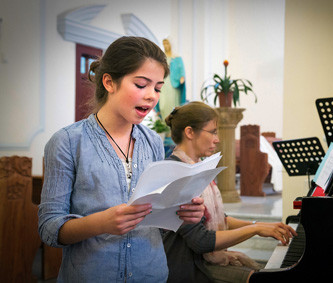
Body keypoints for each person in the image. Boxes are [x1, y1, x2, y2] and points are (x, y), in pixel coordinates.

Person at [38, 36, 205, 283]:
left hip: (152, 274)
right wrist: (100, 223)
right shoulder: (68, 142)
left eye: (158, 88)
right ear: (109, 82)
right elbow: (49, 229)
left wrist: (181, 212)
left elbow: (154, 220)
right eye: (141, 85)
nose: (152, 96)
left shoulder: (153, 142)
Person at [162, 101, 297, 283]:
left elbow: (222, 219)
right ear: (190, 132)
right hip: (191, 268)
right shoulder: (178, 175)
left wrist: (260, 225)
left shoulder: (196, 168)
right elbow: (201, 241)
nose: (217, 139)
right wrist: (254, 229)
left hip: (204, 262)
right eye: (213, 132)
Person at [155, 37, 186, 119]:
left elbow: (181, 69)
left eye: (167, 43)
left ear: (171, 44)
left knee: (172, 101)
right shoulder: (161, 57)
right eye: (164, 44)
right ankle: (164, 122)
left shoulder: (176, 58)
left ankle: (172, 122)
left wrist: (182, 77)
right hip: (163, 82)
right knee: (163, 104)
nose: (166, 46)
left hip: (173, 83)